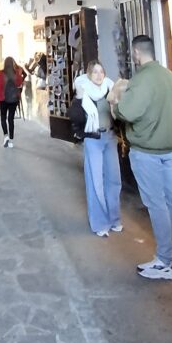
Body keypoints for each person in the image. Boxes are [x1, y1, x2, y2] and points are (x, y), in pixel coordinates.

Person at [113, 34, 172, 280]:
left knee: (156, 204)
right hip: (168, 148)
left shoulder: (142, 80)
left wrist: (115, 102)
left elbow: (127, 112)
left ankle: (165, 261)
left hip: (147, 150)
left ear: (137, 53)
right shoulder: (169, 76)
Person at [75, 60, 122, 238]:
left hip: (109, 137)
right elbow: (76, 116)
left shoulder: (111, 88)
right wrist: (79, 99)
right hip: (93, 139)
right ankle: (100, 223)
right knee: (96, 182)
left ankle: (115, 219)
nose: (99, 75)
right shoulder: (83, 89)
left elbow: (118, 114)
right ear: (88, 74)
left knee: (113, 179)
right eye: (94, 72)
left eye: (101, 71)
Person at [0, 56, 24, 148]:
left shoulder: (0, 73)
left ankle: (5, 136)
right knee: (11, 119)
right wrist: (18, 70)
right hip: (14, 99)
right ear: (12, 64)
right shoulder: (16, 73)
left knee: (3, 118)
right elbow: (19, 83)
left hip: (4, 99)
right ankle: (11, 140)